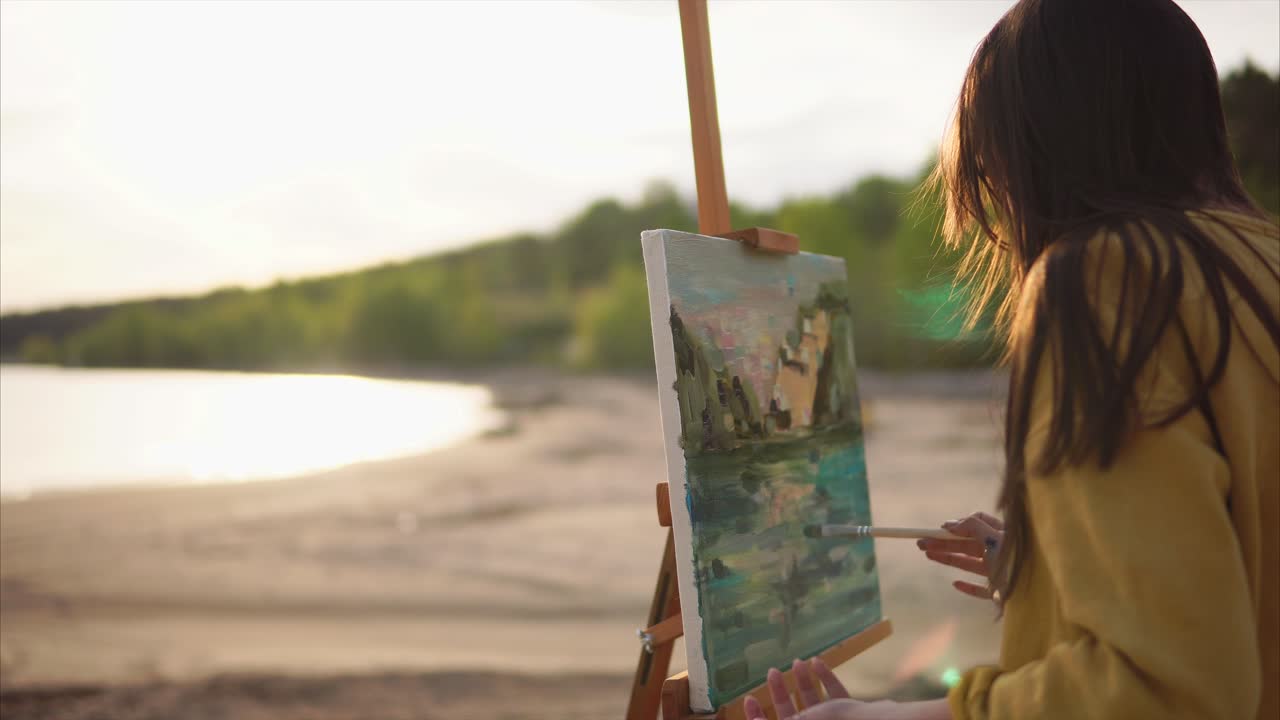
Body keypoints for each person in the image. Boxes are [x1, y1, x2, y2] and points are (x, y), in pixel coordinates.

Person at [745, 0, 1279, 718]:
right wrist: (1052, 580)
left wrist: (881, 717)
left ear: (1028, 148)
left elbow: (1167, 690)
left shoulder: (1109, 276)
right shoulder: (1256, 261)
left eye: (992, 180)